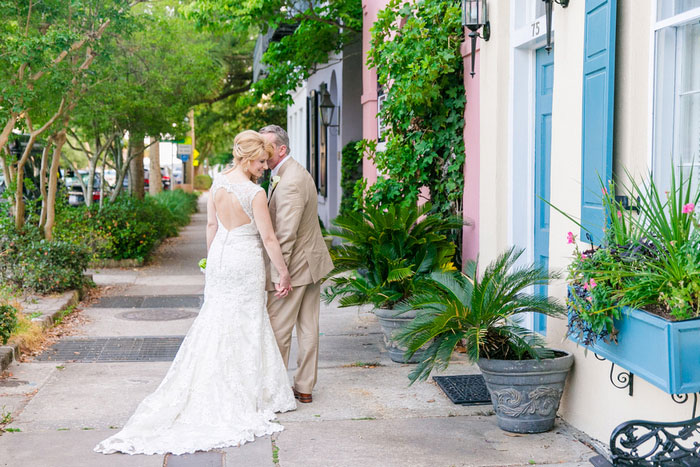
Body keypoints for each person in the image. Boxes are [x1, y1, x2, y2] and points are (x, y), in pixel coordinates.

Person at [94, 130, 296, 456]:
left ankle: (213, 381)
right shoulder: (255, 193)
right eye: (260, 162)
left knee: (216, 320)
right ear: (246, 159)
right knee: (245, 320)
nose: (264, 167)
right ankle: (245, 392)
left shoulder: (218, 183)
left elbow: (211, 227)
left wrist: (211, 260)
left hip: (219, 259)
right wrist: (282, 273)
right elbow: (269, 239)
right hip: (244, 261)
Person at [259, 125, 334, 404]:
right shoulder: (289, 173)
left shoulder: (289, 181)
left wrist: (281, 274)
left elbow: (285, 234)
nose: (261, 152)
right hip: (311, 262)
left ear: (281, 149)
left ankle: (275, 392)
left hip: (297, 268)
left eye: (266, 147)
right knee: (307, 328)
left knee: (279, 330)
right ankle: (304, 387)